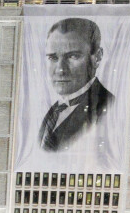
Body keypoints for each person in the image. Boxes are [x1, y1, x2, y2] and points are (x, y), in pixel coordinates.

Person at [36, 17, 114, 154]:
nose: (60, 69)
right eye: (53, 58)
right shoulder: (54, 110)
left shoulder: (107, 106)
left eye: (73, 56)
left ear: (97, 57)